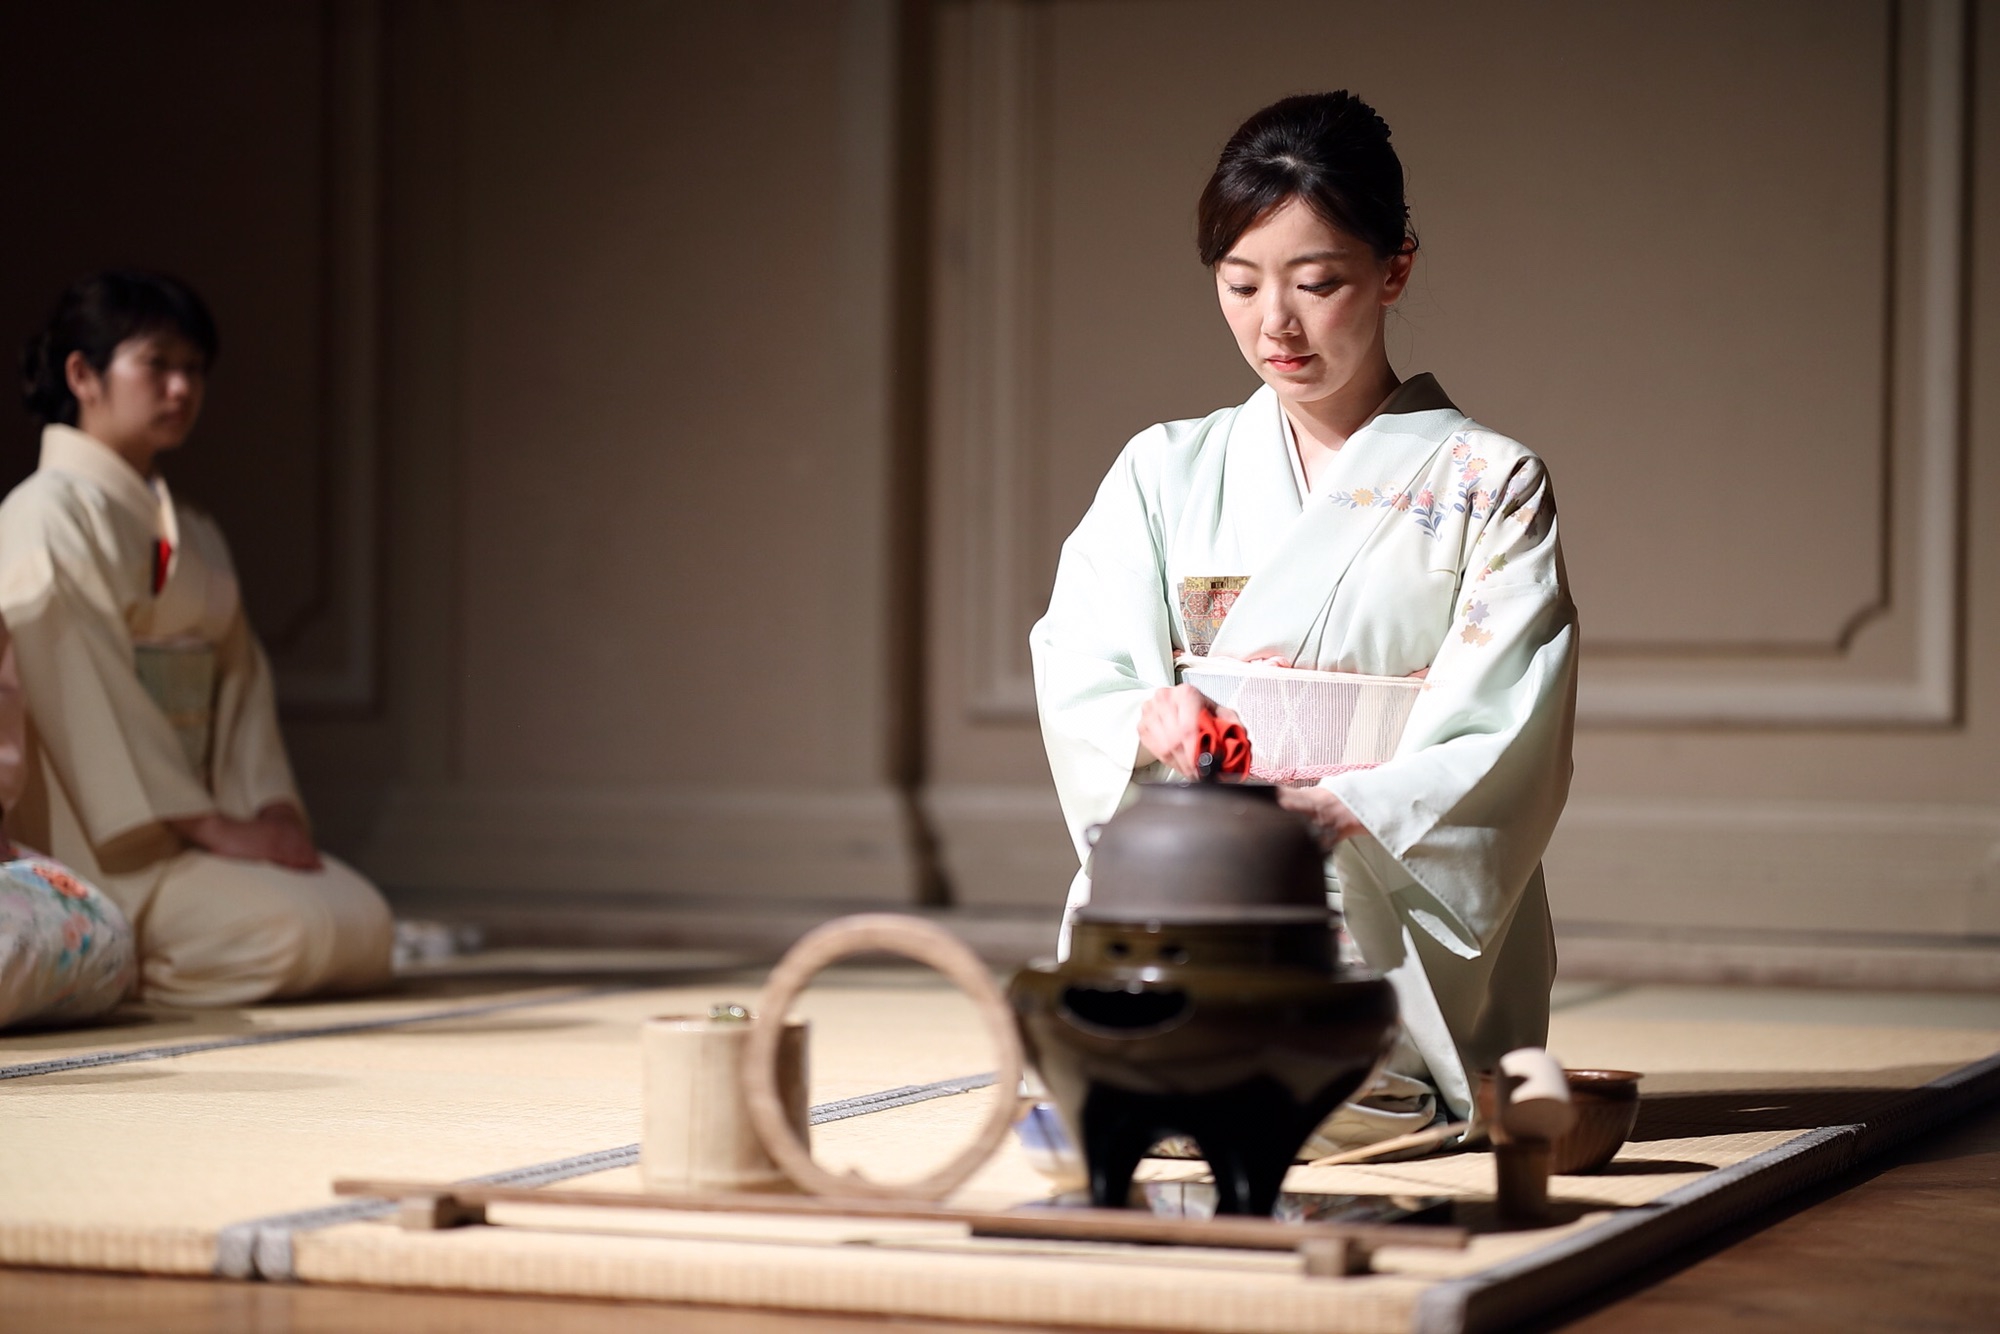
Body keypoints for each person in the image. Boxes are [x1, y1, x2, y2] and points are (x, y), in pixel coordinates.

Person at [1030, 93, 1577, 1136]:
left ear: (1394, 268)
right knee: (1127, 1062)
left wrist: (1334, 809)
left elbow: (1505, 722)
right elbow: (1083, 662)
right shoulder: (1161, 470)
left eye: (1314, 283)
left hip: (1372, 888)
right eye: (1239, 285)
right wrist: (1147, 715)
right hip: (1192, 885)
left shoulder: (1486, 481)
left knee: (1313, 1084)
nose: (1272, 323)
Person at [0, 270, 393, 1007]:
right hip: (114, 844)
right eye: (158, 365)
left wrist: (267, 811)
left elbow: (240, 683)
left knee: (363, 921)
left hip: (202, 835)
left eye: (194, 370)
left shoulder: (196, 530)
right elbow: (80, 692)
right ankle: (109, 951)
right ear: (82, 374)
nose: (181, 388)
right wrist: (208, 824)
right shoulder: (42, 516)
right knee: (294, 934)